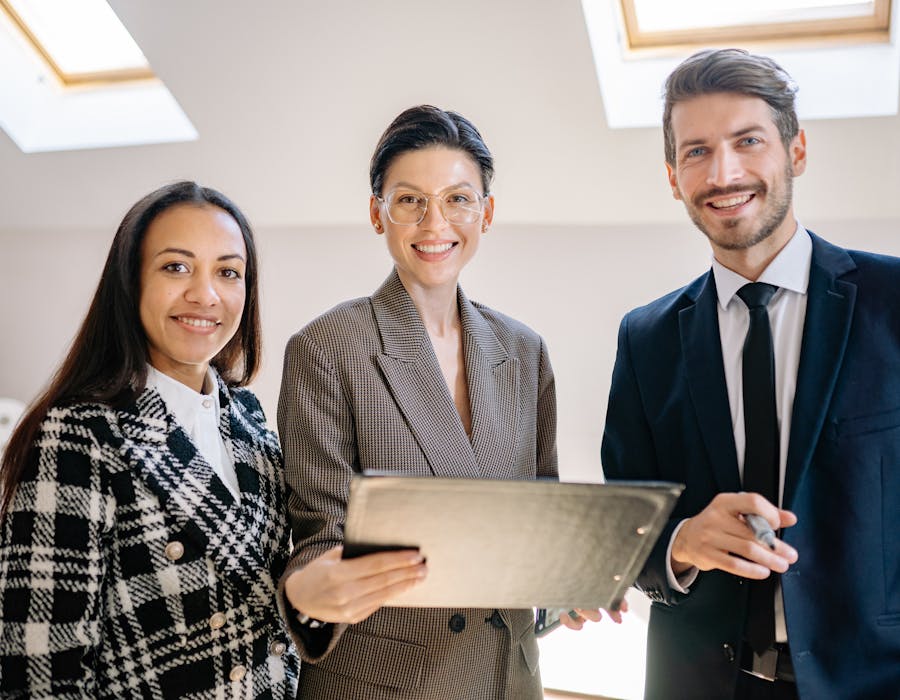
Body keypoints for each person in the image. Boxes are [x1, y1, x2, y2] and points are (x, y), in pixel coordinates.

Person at [277, 105, 613, 699]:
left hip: (510, 677)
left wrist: (565, 584)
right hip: (387, 682)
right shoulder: (327, 347)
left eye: (458, 198)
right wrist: (317, 585)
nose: (435, 222)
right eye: (409, 200)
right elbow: (318, 536)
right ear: (377, 214)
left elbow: (538, 524)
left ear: (486, 212)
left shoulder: (523, 349)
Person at [601, 47, 900, 700]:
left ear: (796, 151)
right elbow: (621, 537)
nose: (724, 172)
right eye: (697, 151)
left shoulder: (893, 299)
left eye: (748, 141)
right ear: (673, 176)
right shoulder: (645, 339)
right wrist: (681, 542)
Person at [0, 181, 301, 697]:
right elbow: (39, 675)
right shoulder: (78, 433)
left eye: (228, 272)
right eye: (176, 267)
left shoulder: (249, 418)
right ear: (130, 283)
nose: (205, 295)